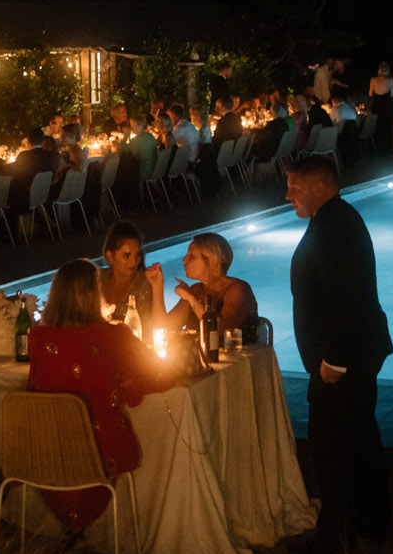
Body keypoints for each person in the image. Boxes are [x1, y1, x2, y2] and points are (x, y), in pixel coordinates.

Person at [284, 158, 393, 554]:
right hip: (352, 353)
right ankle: (372, 523)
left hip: (342, 359)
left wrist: (334, 360)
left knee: (334, 446)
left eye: (295, 188)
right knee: (360, 438)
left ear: (320, 187)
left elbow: (348, 299)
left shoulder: (333, 228)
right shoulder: (338, 220)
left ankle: (336, 537)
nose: (287, 195)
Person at [25, 259, 174, 533]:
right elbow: (156, 376)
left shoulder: (38, 336)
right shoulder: (113, 335)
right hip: (101, 448)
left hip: (45, 447)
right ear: (94, 293)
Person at [166, 231, 259, 335]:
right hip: (201, 351)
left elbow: (220, 331)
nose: (184, 259)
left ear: (210, 261)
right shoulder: (195, 289)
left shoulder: (239, 290)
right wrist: (157, 285)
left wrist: (191, 299)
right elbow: (166, 325)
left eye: (191, 256)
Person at [99, 220, 165, 330]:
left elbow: (160, 328)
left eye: (137, 255)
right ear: (110, 256)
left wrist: (158, 287)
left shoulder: (146, 283)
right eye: (126, 255)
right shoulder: (99, 279)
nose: (133, 262)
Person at [126, 115, 161, 183]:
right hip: (154, 168)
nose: (131, 128)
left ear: (140, 127)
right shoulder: (151, 136)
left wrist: (126, 136)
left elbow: (122, 150)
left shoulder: (137, 139)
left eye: (133, 125)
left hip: (143, 171)